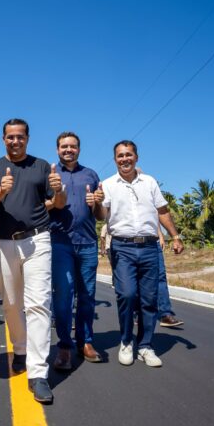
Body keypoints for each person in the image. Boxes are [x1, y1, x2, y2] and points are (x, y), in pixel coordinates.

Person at [0, 118, 65, 404]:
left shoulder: (41, 166)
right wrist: (1, 191)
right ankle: (20, 349)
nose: (15, 141)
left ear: (27, 138)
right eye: (10, 137)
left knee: (38, 304)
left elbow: (59, 203)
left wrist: (59, 189)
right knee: (11, 303)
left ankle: (38, 373)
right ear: (3, 139)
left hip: (37, 240)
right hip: (4, 242)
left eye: (20, 137)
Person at [100, 140, 183, 368]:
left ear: (136, 157)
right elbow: (100, 215)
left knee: (149, 299)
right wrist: (96, 202)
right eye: (120, 156)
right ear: (115, 159)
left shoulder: (150, 182)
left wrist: (175, 236)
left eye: (128, 154)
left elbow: (162, 210)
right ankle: (127, 342)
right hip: (122, 247)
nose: (124, 159)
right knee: (127, 294)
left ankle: (145, 345)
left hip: (149, 247)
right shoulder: (107, 185)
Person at [47, 131, 105, 371]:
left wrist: (98, 202)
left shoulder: (90, 174)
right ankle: (64, 346)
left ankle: (86, 342)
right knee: (63, 297)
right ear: (57, 149)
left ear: (79, 149)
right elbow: (41, 207)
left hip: (88, 243)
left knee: (87, 296)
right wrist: (54, 196)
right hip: (60, 243)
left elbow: (100, 215)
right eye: (64, 146)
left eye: (72, 146)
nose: (68, 150)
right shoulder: (50, 175)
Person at [156, 231, 184, 327]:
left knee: (160, 278)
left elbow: (157, 220)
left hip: (153, 242)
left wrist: (160, 236)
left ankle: (165, 314)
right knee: (138, 278)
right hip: (130, 243)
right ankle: (139, 312)